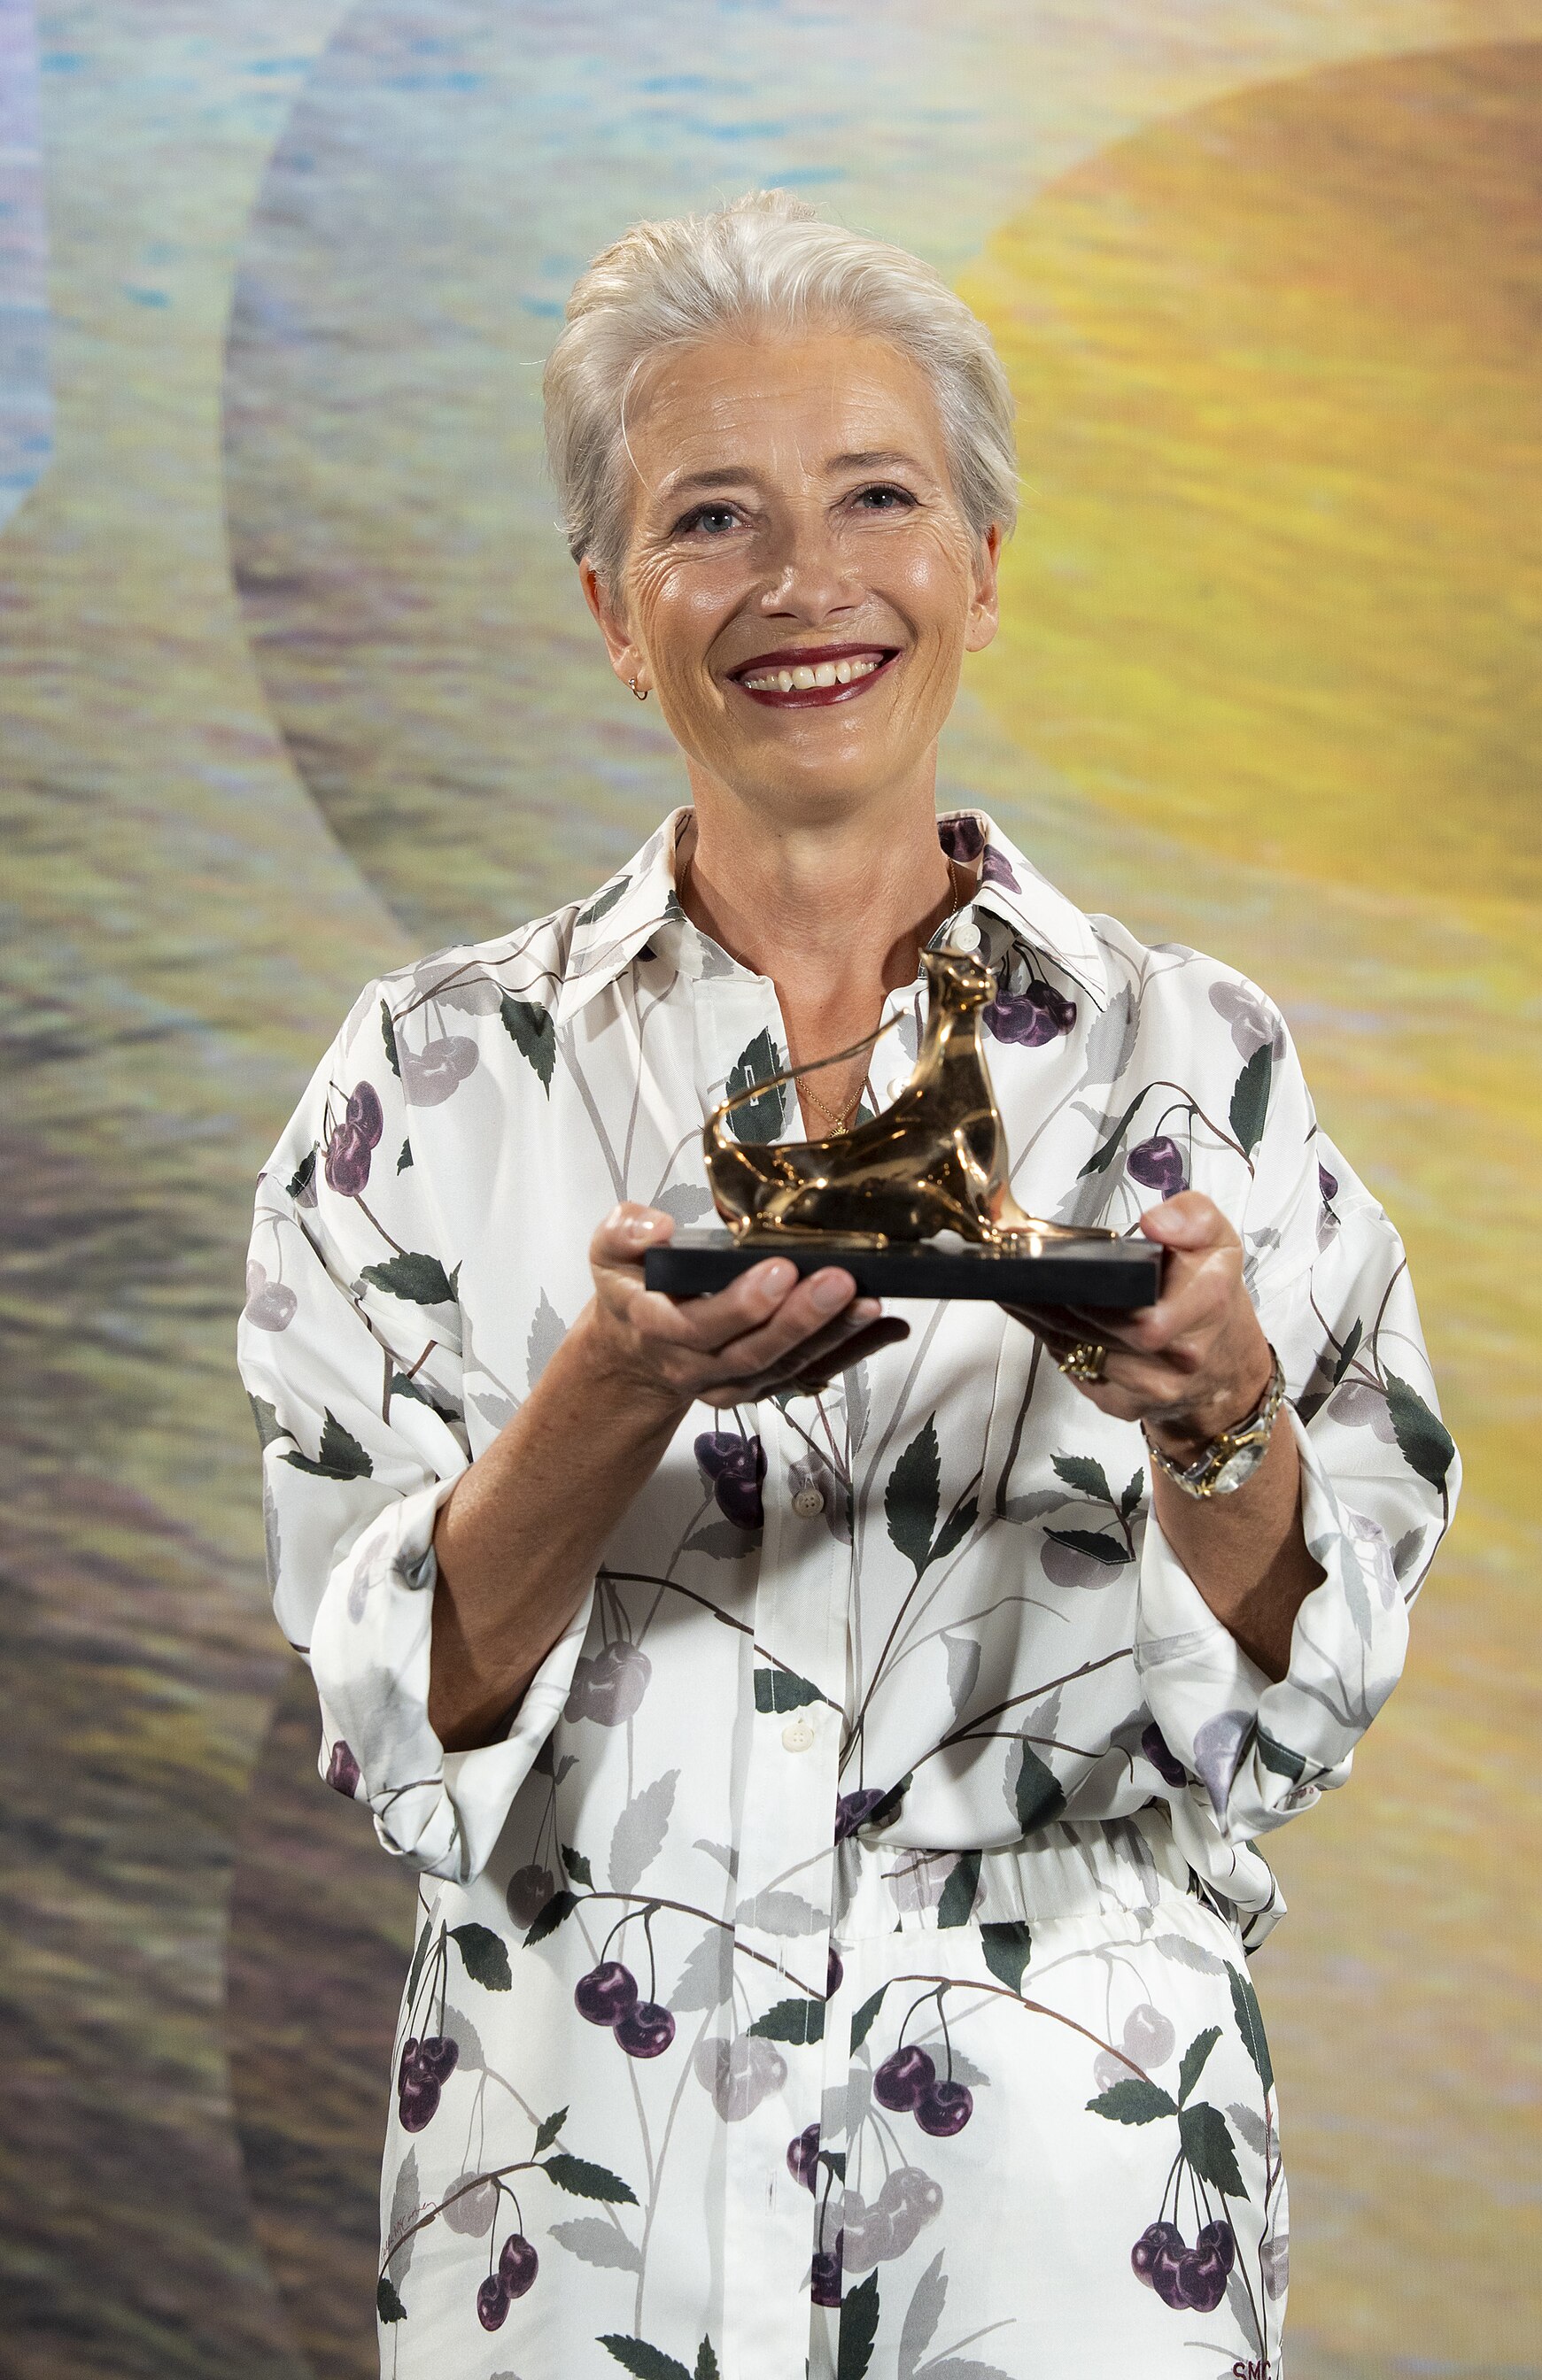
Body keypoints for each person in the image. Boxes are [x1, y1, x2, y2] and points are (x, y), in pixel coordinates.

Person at [238, 189, 1457, 2380]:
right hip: (570, 2211)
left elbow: (1311, 1685)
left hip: (1070, 2225)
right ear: (618, 611)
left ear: (979, 564)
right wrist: (608, 1392)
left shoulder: (1206, 1065)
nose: (808, 585)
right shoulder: (419, 1087)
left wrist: (1217, 1402)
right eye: (715, 517)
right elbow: (381, 1724)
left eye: (876, 498)